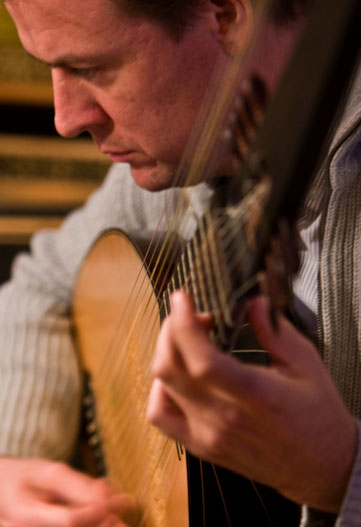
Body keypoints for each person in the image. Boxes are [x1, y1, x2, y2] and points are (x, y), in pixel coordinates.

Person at [0, 0, 359, 525]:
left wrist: (339, 473)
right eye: (47, 68)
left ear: (229, 16)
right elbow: (44, 280)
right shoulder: (194, 142)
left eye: (86, 68)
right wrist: (18, 461)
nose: (65, 119)